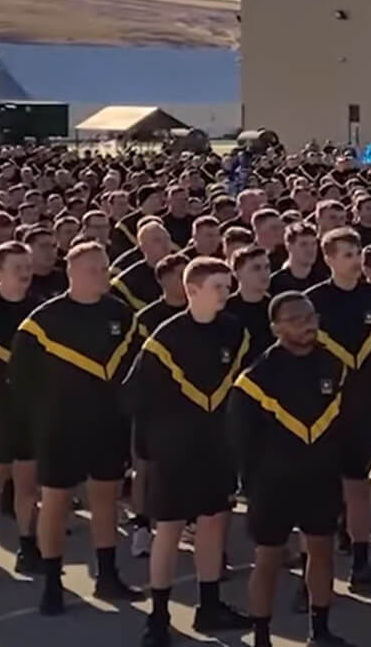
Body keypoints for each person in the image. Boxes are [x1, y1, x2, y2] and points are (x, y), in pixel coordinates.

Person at [124, 257, 253, 645]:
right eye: (217, 287)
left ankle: (209, 606)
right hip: (175, 448)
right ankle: (159, 617)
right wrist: (151, 445)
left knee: (212, 522)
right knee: (170, 528)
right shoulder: (166, 338)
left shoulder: (233, 330)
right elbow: (136, 397)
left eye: (227, 286)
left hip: (217, 445)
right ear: (192, 290)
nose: (225, 293)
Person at [10, 240, 141, 614]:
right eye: (93, 269)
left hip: (107, 425)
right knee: (56, 502)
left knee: (105, 499)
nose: (102, 274)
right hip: (60, 428)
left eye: (104, 267)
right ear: (72, 273)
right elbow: (21, 378)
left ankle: (108, 575)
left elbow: (134, 369)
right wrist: (44, 417)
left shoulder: (121, 314)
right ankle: (52, 583)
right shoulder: (42, 322)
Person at [230, 291, 354, 647]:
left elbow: (343, 426)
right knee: (268, 559)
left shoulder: (333, 365)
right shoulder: (257, 378)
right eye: (296, 320)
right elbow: (241, 439)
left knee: (321, 553)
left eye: (310, 317)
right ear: (276, 328)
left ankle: (320, 630)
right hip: (273, 485)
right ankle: (262, 635)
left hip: (320, 479)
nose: (306, 325)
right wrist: (250, 486)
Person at [305, 229, 371, 594]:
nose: (355, 260)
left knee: (358, 485)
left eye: (357, 253)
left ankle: (361, 562)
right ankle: (312, 580)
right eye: (346, 254)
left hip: (363, 403)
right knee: (321, 491)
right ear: (328, 258)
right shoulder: (314, 301)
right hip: (323, 407)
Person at [0, 241, 40, 582]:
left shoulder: (40, 312)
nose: (25, 273)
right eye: (17, 267)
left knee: (27, 487)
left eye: (27, 266)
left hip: (29, 413)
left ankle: (27, 547)